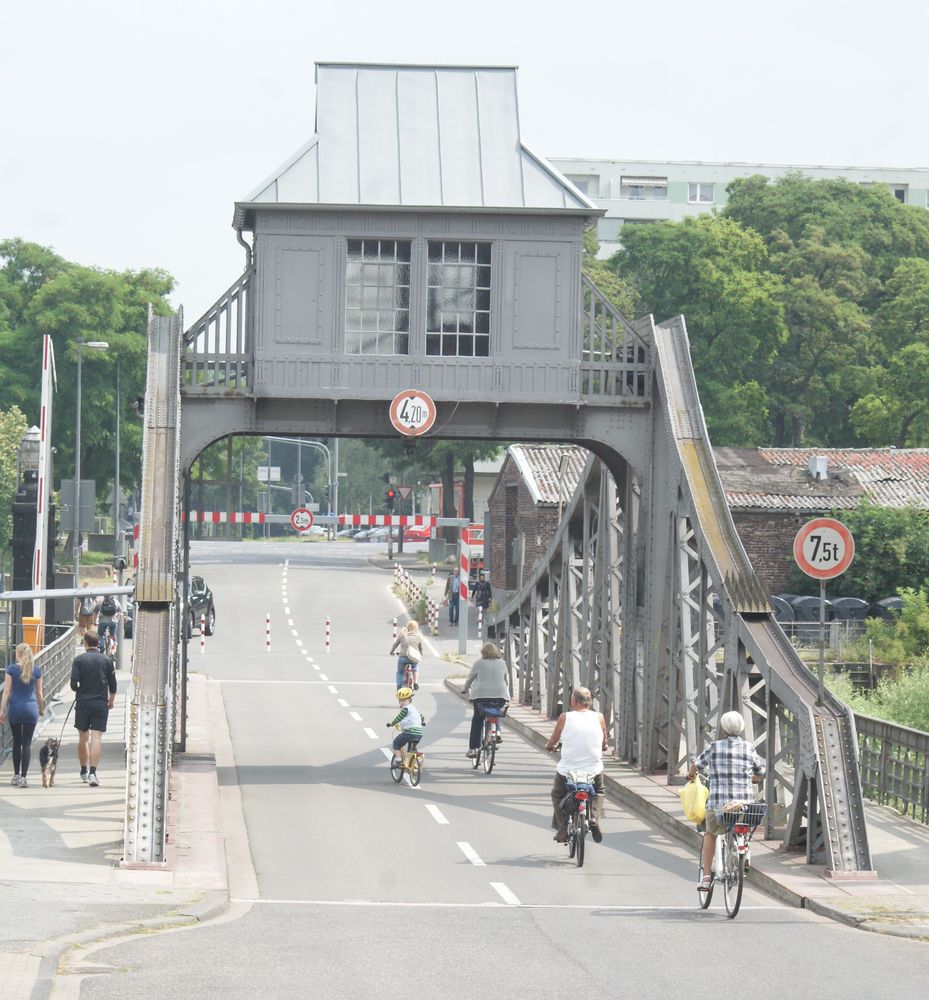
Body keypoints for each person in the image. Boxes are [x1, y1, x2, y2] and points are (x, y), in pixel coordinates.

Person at [688, 710, 766, 891]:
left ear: (723, 729)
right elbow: (761, 772)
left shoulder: (714, 747)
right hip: (744, 806)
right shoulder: (748, 748)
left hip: (719, 806)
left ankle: (706, 877)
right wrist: (752, 778)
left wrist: (691, 775)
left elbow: (697, 765)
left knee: (710, 834)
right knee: (743, 826)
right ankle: (744, 853)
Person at [545, 687, 607, 844]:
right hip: (593, 769)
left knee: (557, 794)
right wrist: (603, 746)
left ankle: (562, 829)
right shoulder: (599, 717)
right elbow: (604, 742)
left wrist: (550, 746)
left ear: (574, 701)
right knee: (599, 791)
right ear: (589, 702)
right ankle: (593, 817)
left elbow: (554, 740)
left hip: (568, 770)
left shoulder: (565, 717)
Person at [70, 629, 117, 786]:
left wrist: (79, 690)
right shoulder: (107, 660)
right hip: (100, 703)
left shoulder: (79, 660)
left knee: (83, 737)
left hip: (83, 703)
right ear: (98, 643)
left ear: (85, 643)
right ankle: (93, 773)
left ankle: (83, 771)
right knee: (96, 738)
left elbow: (73, 684)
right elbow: (113, 684)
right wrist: (111, 700)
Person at [0, 643, 45, 788]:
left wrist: (1, 710)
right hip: (31, 709)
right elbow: (39, 693)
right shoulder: (36, 670)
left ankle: (16, 775)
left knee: (16, 742)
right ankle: (24, 778)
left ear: (17, 654)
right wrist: (42, 709)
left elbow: (6, 691)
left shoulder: (11, 669)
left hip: (15, 709)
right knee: (27, 743)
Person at [461, 641, 509, 758]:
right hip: (500, 695)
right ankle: (496, 732)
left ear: (483, 652)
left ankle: (473, 749)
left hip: (480, 696)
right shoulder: (502, 663)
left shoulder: (478, 663)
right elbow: (506, 680)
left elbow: (470, 678)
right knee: (495, 712)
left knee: (477, 719)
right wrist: (504, 691)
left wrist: (465, 689)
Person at [385, 687, 425, 757]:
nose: (401, 702)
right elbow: (421, 716)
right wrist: (422, 722)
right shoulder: (413, 708)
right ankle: (413, 760)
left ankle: (398, 760)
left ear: (409, 699)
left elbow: (399, 717)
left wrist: (392, 723)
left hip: (409, 733)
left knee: (396, 744)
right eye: (400, 700)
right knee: (411, 750)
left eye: (404, 700)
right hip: (419, 734)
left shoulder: (405, 709)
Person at [389, 620, 423, 690]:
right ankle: (415, 683)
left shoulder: (403, 634)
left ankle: (399, 686)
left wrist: (392, 652)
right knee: (415, 668)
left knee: (400, 672)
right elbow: (420, 647)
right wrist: (420, 654)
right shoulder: (418, 636)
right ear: (416, 628)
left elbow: (395, 644)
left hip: (403, 657)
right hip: (413, 658)